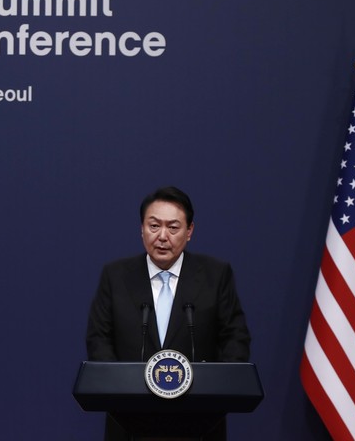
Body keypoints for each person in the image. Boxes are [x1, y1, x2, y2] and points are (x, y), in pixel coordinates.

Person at [85, 186, 250, 440]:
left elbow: (235, 339)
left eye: (173, 228)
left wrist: (216, 390)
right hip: (129, 424)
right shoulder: (116, 276)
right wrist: (119, 388)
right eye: (154, 226)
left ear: (189, 231)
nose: (162, 236)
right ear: (141, 229)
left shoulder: (215, 276)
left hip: (200, 424)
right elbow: (99, 339)